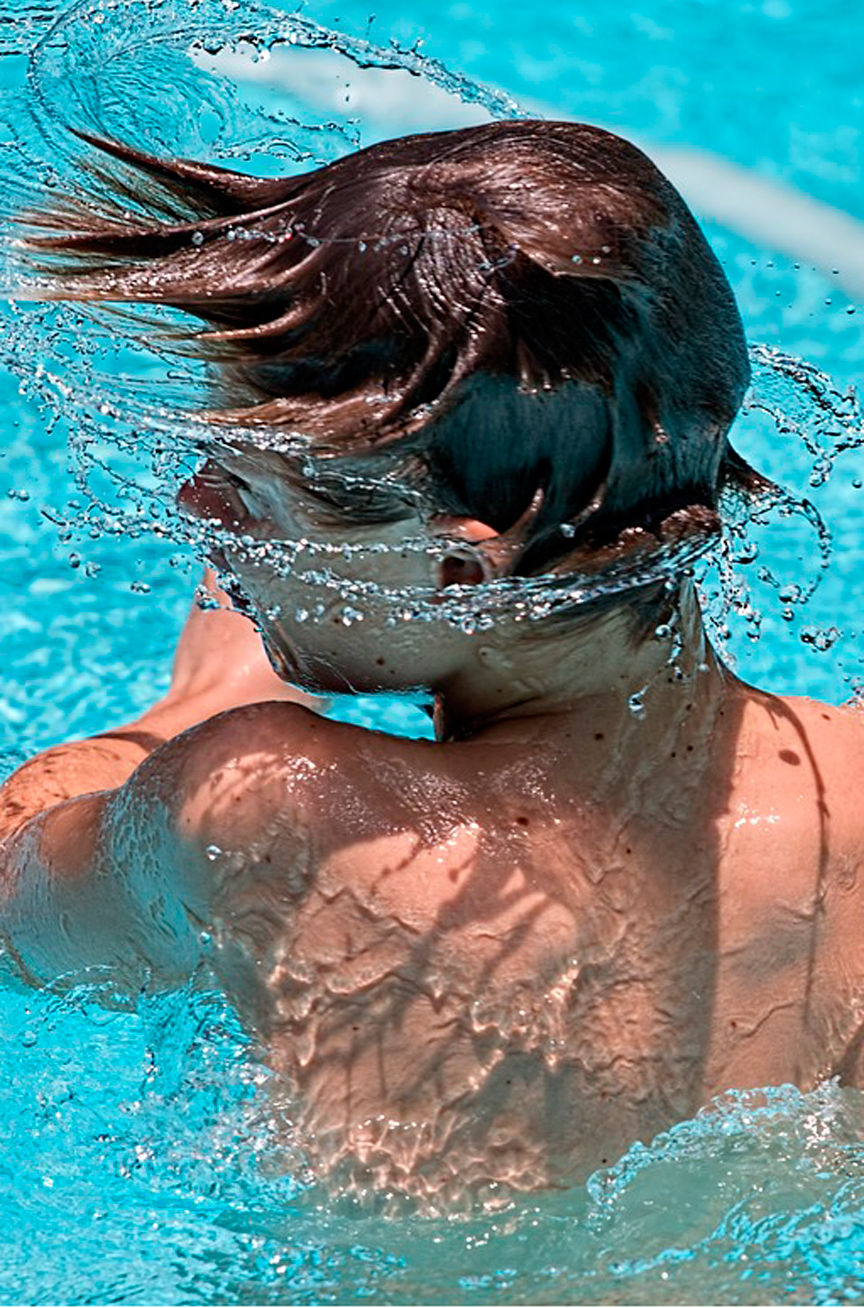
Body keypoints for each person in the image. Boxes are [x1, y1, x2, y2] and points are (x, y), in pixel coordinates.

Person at [1, 119, 863, 1208]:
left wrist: (209, 704)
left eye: (253, 498)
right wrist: (310, 561)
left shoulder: (277, 811)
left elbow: (14, 899)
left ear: (459, 579)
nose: (195, 510)